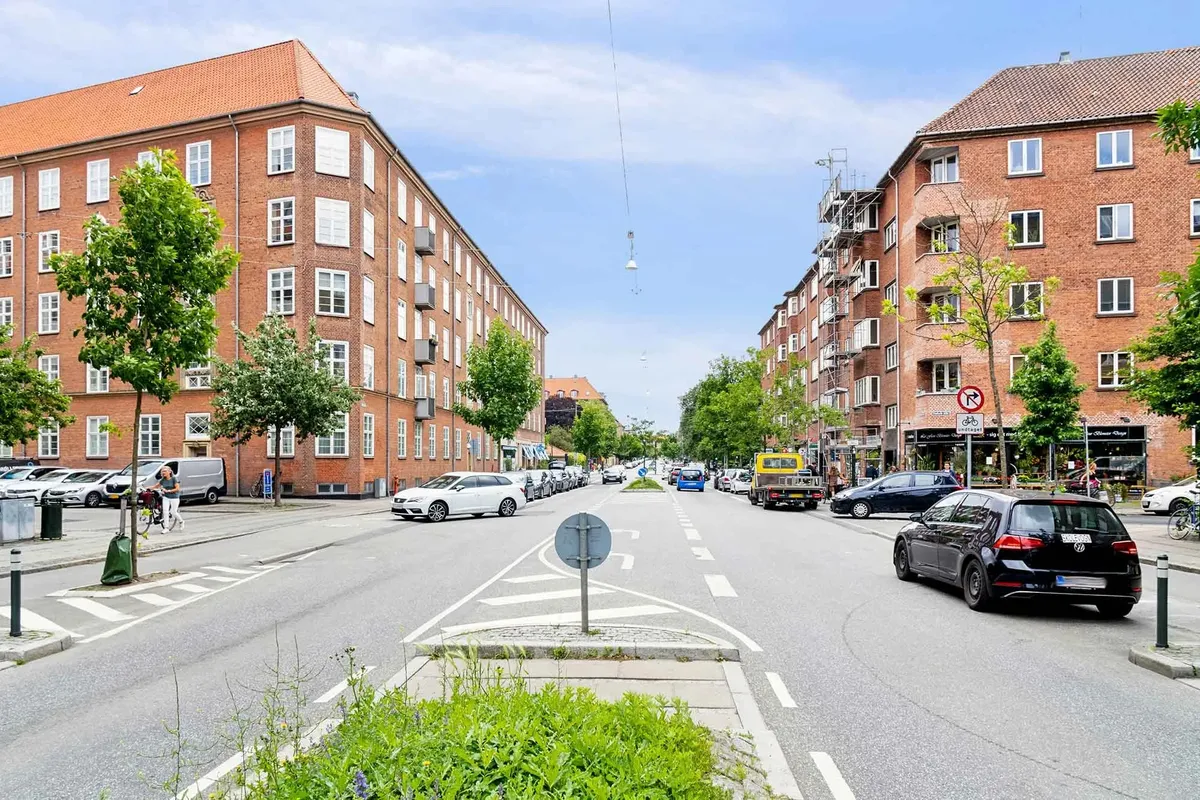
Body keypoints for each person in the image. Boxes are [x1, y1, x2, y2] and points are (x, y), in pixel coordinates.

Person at [149, 465, 184, 532]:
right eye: (162, 471)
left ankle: (181, 521)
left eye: (164, 471)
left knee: (173, 512)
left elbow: (177, 488)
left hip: (174, 497)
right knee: (165, 512)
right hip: (166, 497)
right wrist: (146, 488)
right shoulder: (163, 480)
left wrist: (169, 491)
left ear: (169, 472)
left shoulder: (174, 479)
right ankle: (166, 528)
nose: (163, 472)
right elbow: (155, 486)